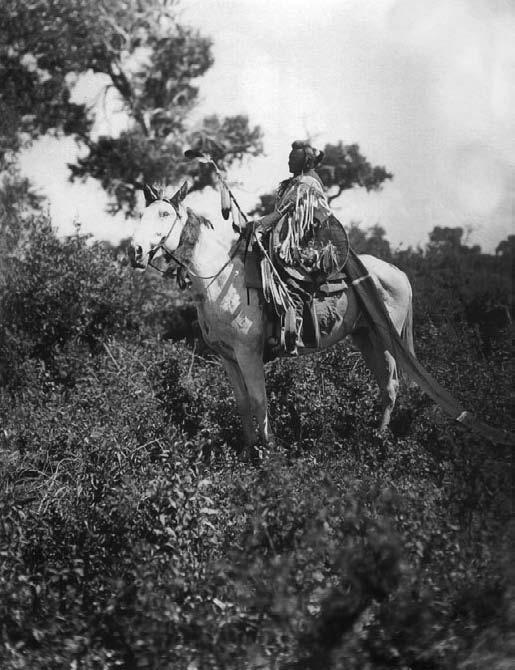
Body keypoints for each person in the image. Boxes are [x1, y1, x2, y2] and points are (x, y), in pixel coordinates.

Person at [254, 141, 348, 354]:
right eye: (289, 157)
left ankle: (293, 332)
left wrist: (259, 225)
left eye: (292, 158)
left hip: (306, 245)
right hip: (291, 241)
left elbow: (288, 214)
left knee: (289, 280)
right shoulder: (296, 183)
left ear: (305, 161)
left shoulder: (307, 184)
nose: (288, 160)